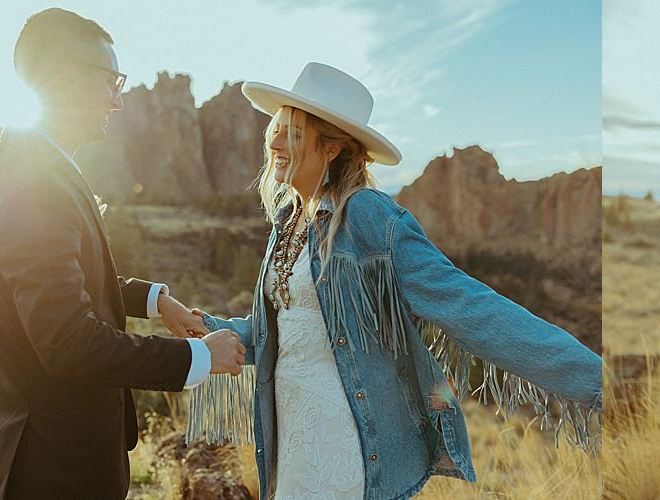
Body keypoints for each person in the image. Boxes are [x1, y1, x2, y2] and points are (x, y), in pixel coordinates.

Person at [172, 62, 603, 498]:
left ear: (332, 148)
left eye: (295, 133)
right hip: (290, 434)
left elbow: (468, 303)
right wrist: (208, 327)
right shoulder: (287, 222)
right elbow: (284, 332)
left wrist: (592, 379)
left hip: (342, 439)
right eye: (277, 129)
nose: (277, 142)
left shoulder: (369, 216)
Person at [0, 8, 241, 499]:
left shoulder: (18, 164)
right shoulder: (37, 184)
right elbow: (68, 339)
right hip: (57, 471)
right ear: (67, 78)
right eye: (111, 81)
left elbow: (53, 290)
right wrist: (198, 356)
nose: (118, 99)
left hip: (49, 458)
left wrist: (154, 301)